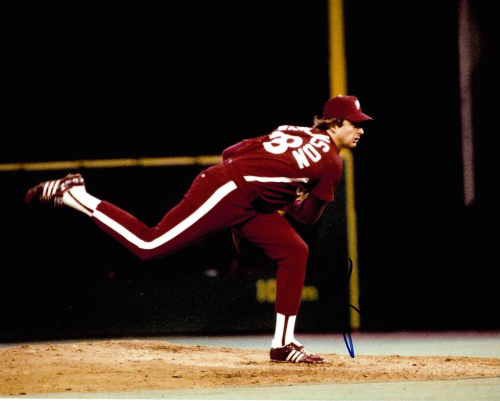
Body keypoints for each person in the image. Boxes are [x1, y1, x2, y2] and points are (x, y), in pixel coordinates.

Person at [25, 95, 373, 364]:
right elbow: (308, 217)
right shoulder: (331, 161)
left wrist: (264, 196)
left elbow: (228, 151)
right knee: (149, 245)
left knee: (295, 251)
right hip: (229, 191)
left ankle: (283, 344)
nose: (360, 130)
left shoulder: (291, 130)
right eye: (355, 123)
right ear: (336, 122)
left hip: (242, 193)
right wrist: (277, 199)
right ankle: (76, 195)